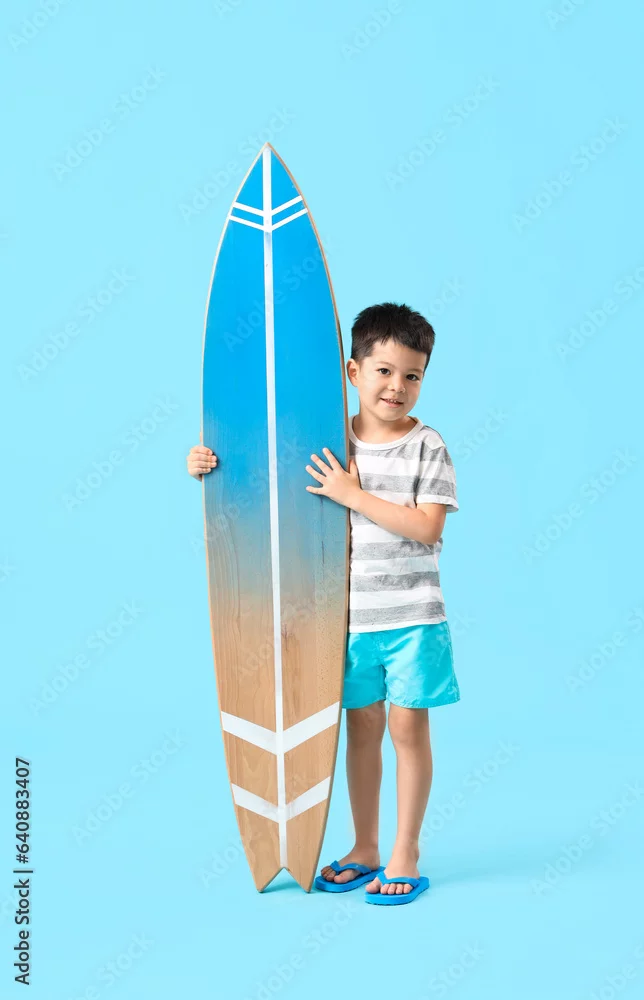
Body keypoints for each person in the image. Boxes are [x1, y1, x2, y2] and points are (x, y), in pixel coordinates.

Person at [187, 302, 460, 905]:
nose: (397, 386)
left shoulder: (427, 446)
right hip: (346, 622)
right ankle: (365, 847)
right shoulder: (329, 440)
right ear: (353, 371)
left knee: (406, 729)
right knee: (360, 731)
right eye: (384, 371)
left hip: (412, 620)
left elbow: (427, 528)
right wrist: (207, 464)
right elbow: (264, 474)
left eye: (412, 375)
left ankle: (405, 851)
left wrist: (352, 495)